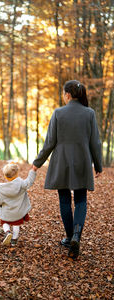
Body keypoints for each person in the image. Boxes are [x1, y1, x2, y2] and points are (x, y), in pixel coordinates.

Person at [32, 80, 102, 259]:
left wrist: (37, 163)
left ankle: (70, 236)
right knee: (80, 199)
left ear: (68, 95)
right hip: (82, 161)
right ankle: (76, 236)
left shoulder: (58, 113)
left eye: (63, 94)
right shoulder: (89, 113)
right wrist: (98, 164)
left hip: (61, 162)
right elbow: (95, 142)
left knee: (64, 199)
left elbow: (50, 142)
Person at [0, 162, 36, 246]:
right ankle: (14, 240)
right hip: (18, 212)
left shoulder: (2, 189)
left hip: (7, 212)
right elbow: (29, 181)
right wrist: (33, 171)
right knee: (16, 224)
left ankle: (7, 232)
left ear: (5, 176)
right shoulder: (22, 184)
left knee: (4, 222)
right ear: (17, 174)